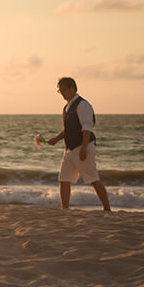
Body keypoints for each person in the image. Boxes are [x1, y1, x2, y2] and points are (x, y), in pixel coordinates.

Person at [44, 77, 111, 211]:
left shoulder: (83, 105)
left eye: (64, 90)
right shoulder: (67, 107)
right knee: (63, 178)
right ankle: (65, 209)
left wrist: (84, 149)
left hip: (82, 146)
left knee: (93, 178)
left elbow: (86, 128)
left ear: (72, 88)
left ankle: (107, 209)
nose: (62, 93)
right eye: (60, 91)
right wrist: (56, 139)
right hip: (70, 149)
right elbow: (68, 129)